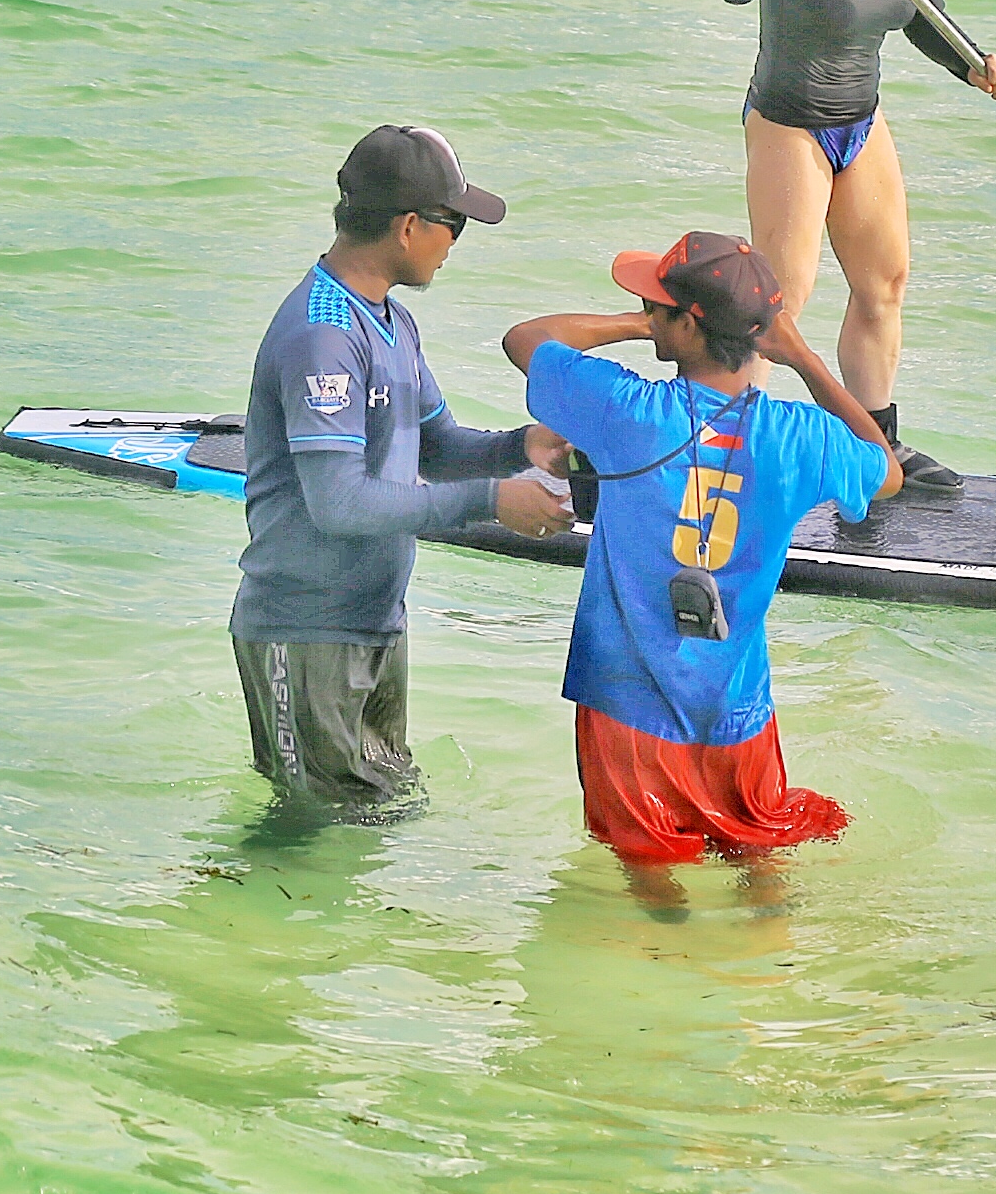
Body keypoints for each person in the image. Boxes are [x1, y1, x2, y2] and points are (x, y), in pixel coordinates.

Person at [500, 231, 900, 873]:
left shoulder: (627, 411)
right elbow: (887, 471)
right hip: (738, 709)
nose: (647, 312)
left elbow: (526, 338)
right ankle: (771, 941)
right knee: (759, 861)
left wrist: (637, 327)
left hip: (626, 705)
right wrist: (804, 359)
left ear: (687, 325)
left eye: (657, 306)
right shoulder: (799, 435)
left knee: (649, 874)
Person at [230, 124, 573, 820]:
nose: (455, 245)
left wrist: (525, 446)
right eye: (454, 226)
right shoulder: (323, 335)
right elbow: (339, 504)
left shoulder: (392, 322)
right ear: (409, 226)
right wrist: (492, 501)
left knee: (381, 813)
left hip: (375, 622)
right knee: (313, 828)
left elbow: (437, 446)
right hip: (307, 630)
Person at [718, 0, 996, 494]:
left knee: (884, 282)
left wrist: (974, 63)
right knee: (780, 299)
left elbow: (924, 17)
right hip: (790, 121)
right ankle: (727, 446)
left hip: (861, 121)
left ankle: (877, 444)